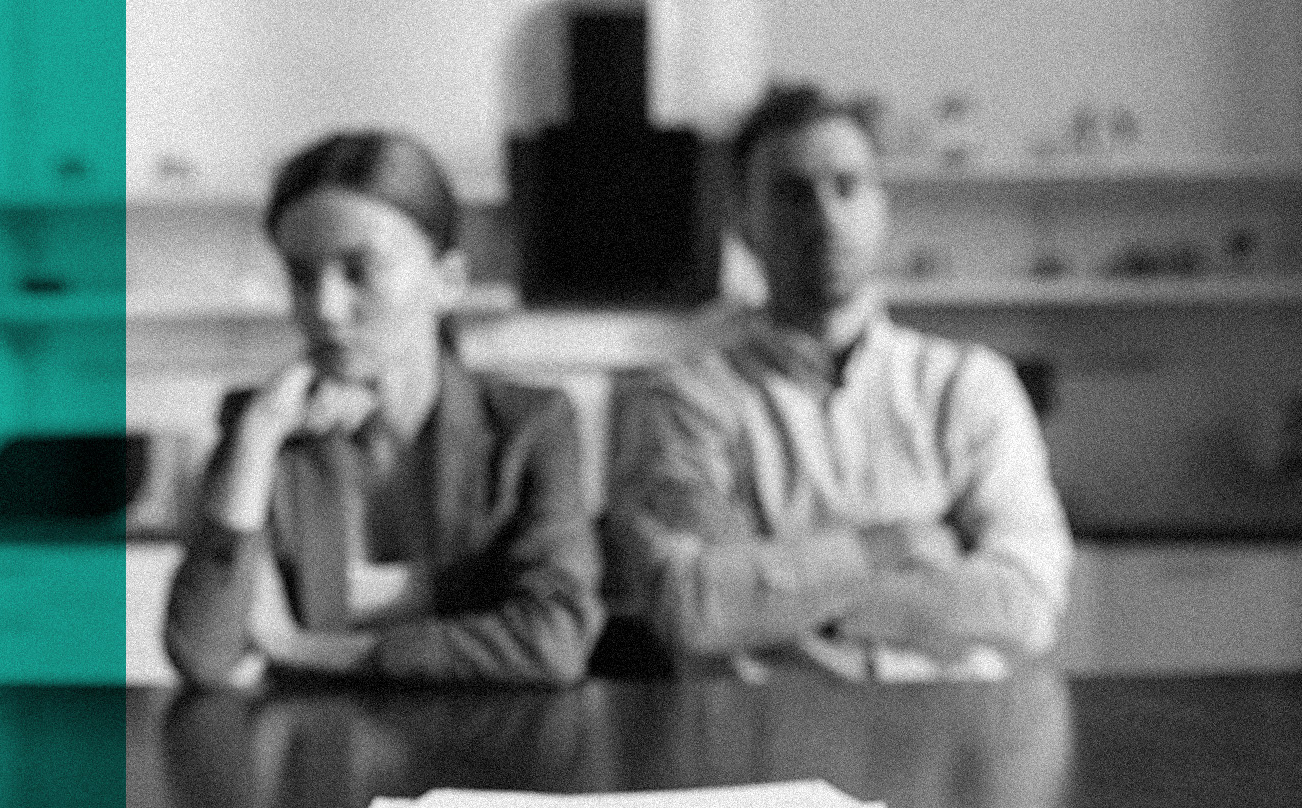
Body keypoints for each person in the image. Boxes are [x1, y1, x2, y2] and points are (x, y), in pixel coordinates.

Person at [603, 86, 1073, 681]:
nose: (824, 217)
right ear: (743, 221)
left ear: (883, 207)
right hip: (761, 750)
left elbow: (1027, 603)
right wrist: (889, 549)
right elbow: (689, 606)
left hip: (948, 749)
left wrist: (774, 600)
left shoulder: (968, 385)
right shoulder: (682, 399)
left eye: (847, 187)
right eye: (792, 195)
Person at [166, 132, 602, 688]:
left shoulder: (530, 425)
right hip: (320, 755)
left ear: (448, 281)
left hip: (488, 749)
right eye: (301, 277)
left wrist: (318, 653)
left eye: (359, 270)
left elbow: (555, 640)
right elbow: (203, 656)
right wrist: (257, 437)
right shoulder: (262, 423)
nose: (325, 309)